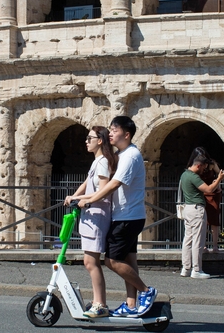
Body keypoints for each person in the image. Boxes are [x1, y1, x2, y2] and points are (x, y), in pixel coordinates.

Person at [75, 116, 157, 318]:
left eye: (114, 130)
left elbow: (114, 185)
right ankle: (131, 303)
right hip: (127, 215)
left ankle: (146, 291)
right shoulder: (122, 154)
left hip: (127, 217)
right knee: (129, 259)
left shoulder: (130, 155)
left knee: (111, 261)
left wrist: (91, 199)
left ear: (126, 134)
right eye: (110, 130)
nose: (110, 133)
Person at [64, 126, 117, 318]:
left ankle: (100, 303)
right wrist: (75, 195)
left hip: (97, 214)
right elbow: (87, 182)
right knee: (89, 261)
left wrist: (82, 199)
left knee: (91, 261)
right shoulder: (97, 162)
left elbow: (102, 192)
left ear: (100, 141)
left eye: (90, 138)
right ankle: (97, 301)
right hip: (90, 214)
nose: (86, 141)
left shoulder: (103, 163)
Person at [180, 148, 224, 279]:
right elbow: (209, 189)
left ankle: (185, 268)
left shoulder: (184, 174)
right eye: (203, 167)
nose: (203, 170)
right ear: (198, 165)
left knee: (187, 239)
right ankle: (196, 270)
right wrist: (219, 178)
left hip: (187, 208)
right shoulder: (194, 177)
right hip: (196, 209)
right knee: (198, 241)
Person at [198, 156, 223, 253]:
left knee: (214, 220)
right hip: (203, 193)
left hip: (213, 193)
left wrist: (217, 182)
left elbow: (220, 173)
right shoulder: (197, 166)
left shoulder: (212, 163)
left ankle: (215, 246)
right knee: (203, 220)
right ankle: (203, 245)